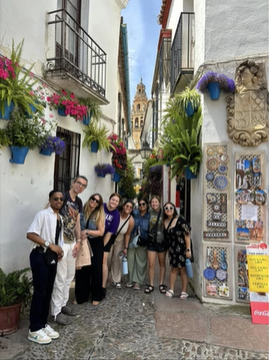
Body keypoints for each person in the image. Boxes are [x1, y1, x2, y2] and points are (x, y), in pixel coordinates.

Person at [27, 190, 64, 344]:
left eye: (61, 199)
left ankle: (43, 324)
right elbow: (30, 234)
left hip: (51, 258)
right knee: (40, 292)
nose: (58, 201)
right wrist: (50, 245)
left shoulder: (60, 218)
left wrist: (59, 250)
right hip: (40, 255)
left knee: (48, 291)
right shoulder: (42, 214)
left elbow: (58, 238)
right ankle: (34, 329)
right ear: (50, 199)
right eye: (55, 198)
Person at [50, 175, 88, 325]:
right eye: (78, 183)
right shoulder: (62, 197)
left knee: (69, 276)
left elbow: (77, 223)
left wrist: (78, 241)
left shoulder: (78, 202)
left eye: (83, 185)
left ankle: (63, 304)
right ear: (73, 183)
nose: (80, 186)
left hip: (72, 243)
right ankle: (55, 312)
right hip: (61, 243)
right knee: (60, 277)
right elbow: (50, 211)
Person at [75, 193, 105, 305]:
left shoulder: (99, 214)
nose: (94, 202)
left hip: (95, 243)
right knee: (82, 268)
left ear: (99, 204)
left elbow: (101, 232)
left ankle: (96, 296)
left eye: (97, 201)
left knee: (96, 269)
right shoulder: (82, 211)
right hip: (84, 243)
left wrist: (87, 231)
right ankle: (81, 296)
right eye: (93, 199)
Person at [163, 202, 192, 299]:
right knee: (173, 269)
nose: (168, 209)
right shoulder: (165, 221)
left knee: (182, 270)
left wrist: (188, 249)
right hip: (172, 249)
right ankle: (171, 289)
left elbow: (187, 234)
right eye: (166, 208)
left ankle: (184, 291)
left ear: (174, 209)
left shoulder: (180, 219)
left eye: (171, 207)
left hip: (182, 248)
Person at [144, 196, 168, 295]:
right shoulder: (148, 212)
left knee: (162, 263)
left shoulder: (164, 212)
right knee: (151, 264)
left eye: (156, 202)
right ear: (150, 203)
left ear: (159, 202)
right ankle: (151, 284)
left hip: (162, 241)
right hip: (151, 242)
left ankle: (161, 284)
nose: (154, 204)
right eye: (153, 202)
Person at [110, 200, 135, 288]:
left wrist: (125, 247)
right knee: (107, 259)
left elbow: (127, 234)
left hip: (120, 240)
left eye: (130, 207)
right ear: (123, 206)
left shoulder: (131, 220)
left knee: (117, 259)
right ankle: (103, 278)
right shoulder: (116, 214)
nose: (128, 208)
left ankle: (116, 280)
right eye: (127, 206)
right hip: (109, 238)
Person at [126, 198, 150, 290]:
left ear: (147, 205)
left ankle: (138, 281)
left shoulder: (149, 216)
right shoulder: (134, 213)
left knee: (141, 261)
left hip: (143, 240)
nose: (141, 206)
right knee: (130, 259)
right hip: (132, 238)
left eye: (143, 204)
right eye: (140, 204)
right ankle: (130, 279)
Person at [102, 193, 121, 299]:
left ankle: (103, 286)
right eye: (113, 199)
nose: (114, 202)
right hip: (95, 236)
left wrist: (102, 246)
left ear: (118, 204)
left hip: (106, 238)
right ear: (109, 199)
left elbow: (110, 232)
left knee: (103, 261)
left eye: (116, 201)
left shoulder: (116, 214)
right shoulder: (102, 206)